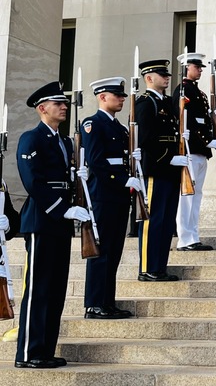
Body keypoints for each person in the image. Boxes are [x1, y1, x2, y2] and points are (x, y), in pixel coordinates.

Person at [14, 82, 92, 368]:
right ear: (41, 108)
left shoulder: (65, 141)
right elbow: (32, 181)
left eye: (64, 103)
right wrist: (63, 209)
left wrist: (80, 176)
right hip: (42, 220)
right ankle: (27, 354)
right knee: (38, 289)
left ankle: (45, 350)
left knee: (56, 289)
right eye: (57, 103)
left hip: (61, 223)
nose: (63, 106)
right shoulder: (31, 139)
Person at [78, 77, 139, 319]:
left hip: (119, 197)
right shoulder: (93, 123)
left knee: (114, 251)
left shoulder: (121, 128)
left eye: (123, 95)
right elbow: (96, 161)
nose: (122, 98)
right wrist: (123, 179)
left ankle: (107, 300)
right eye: (117, 95)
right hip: (103, 195)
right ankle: (94, 304)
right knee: (101, 250)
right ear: (102, 97)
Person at [136, 59, 189, 280]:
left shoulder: (167, 102)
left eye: (166, 74)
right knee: (153, 220)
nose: (166, 77)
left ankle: (160, 266)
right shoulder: (145, 103)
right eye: (161, 74)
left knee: (167, 221)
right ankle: (147, 268)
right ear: (149, 78)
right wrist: (169, 159)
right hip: (156, 169)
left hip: (170, 171)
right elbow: (146, 139)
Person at [172, 53, 216, 251]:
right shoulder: (184, 90)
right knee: (187, 196)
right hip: (190, 150)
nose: (200, 70)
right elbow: (187, 121)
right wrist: (207, 141)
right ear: (187, 67)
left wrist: (214, 116)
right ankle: (185, 238)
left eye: (201, 67)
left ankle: (193, 235)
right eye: (197, 66)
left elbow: (201, 121)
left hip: (200, 152)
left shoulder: (199, 93)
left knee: (197, 195)